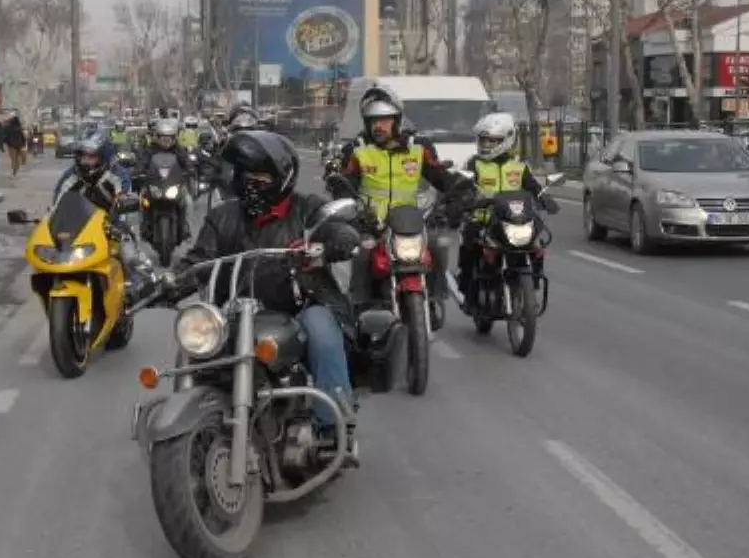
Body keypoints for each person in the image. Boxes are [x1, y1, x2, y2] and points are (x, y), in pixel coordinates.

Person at [164, 130, 361, 461]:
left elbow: (339, 230)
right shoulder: (223, 215)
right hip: (233, 310)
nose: (252, 183)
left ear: (282, 177)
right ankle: (189, 428)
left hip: (299, 305)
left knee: (322, 331)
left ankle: (333, 426)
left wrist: (330, 245)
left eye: (261, 176)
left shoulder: (307, 209)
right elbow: (200, 259)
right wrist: (169, 281)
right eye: (246, 176)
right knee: (194, 342)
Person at [338, 84, 465, 322]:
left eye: (385, 120)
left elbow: (441, 177)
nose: (379, 126)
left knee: (437, 243)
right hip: (372, 225)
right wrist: (350, 208)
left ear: (397, 120)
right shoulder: (357, 150)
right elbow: (343, 185)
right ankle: (359, 309)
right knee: (362, 254)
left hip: (410, 222)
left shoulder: (419, 148)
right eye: (373, 120)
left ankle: (435, 297)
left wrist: (459, 196)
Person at [455, 112, 560, 300]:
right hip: (484, 220)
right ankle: (468, 289)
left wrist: (546, 199)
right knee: (469, 242)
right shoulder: (474, 164)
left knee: (536, 243)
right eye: (483, 140)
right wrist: (463, 201)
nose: (486, 145)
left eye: (492, 141)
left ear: (507, 140)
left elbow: (533, 187)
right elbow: (462, 186)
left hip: (513, 220)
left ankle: (531, 284)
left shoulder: (519, 166)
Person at [53, 131, 151, 294]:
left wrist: (124, 201)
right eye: (83, 156)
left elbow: (124, 195)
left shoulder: (117, 174)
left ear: (103, 157)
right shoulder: (71, 175)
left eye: (91, 157)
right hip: (78, 226)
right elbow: (57, 202)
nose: (86, 161)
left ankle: (141, 285)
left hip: (112, 223)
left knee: (129, 255)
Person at [138, 117, 193, 242]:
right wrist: (139, 171)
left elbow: (186, 161)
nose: (166, 141)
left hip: (174, 184)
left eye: (170, 137)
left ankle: (185, 227)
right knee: (141, 200)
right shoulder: (150, 149)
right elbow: (142, 162)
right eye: (163, 137)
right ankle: (144, 227)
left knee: (188, 201)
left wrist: (190, 169)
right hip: (154, 184)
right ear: (157, 137)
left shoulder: (178, 149)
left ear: (175, 138)